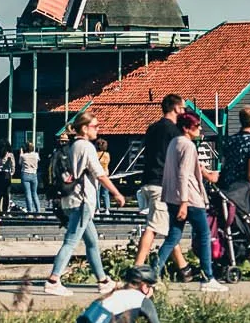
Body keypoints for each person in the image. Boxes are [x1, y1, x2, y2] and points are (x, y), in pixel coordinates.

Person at [44, 112, 125, 294]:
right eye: (95, 126)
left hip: (70, 198)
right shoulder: (87, 147)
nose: (98, 129)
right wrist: (116, 193)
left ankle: (103, 281)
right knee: (71, 241)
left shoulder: (73, 146)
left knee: (92, 242)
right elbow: (100, 174)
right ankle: (53, 280)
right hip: (82, 200)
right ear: (85, 128)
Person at [151, 109, 226, 290]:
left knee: (174, 236)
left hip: (171, 197)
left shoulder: (173, 143)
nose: (200, 129)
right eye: (196, 126)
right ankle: (207, 277)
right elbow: (184, 174)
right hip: (190, 199)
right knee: (204, 235)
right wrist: (184, 202)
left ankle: (153, 272)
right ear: (186, 128)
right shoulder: (188, 145)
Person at [133, 93, 185, 268]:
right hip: (161, 183)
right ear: (176, 108)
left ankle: (183, 267)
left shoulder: (152, 128)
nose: (184, 111)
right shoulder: (174, 131)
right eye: (183, 108)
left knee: (168, 226)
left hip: (147, 180)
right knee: (153, 227)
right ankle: (138, 267)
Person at [216, 104, 250, 277]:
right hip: (245, 192)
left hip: (227, 191)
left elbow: (225, 165)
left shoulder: (230, 141)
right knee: (249, 227)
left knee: (232, 228)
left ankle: (232, 260)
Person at [18, 136, 42, 215]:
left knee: (28, 193)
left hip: (25, 174)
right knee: (34, 193)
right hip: (34, 174)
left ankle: (30, 211)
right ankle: (38, 211)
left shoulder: (23, 156)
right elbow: (38, 161)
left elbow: (20, 163)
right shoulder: (36, 155)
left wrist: (21, 153)